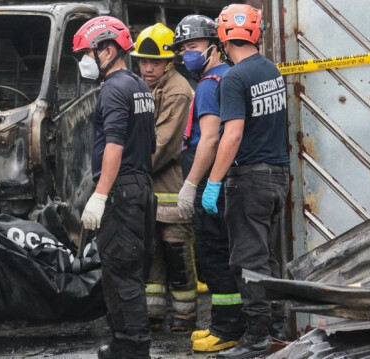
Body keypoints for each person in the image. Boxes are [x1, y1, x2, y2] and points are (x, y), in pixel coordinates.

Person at [201, 4, 289, 359]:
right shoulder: (271, 70)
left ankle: (256, 338)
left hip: (249, 180)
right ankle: (278, 326)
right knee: (266, 257)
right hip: (277, 176)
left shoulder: (234, 78)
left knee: (248, 260)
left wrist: (213, 182)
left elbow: (232, 135)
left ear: (223, 38)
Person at [73, 16, 157, 359]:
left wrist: (100, 194)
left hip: (121, 191)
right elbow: (150, 144)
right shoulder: (139, 85)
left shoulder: (113, 89)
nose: (84, 61)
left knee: (122, 273)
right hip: (138, 186)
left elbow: (114, 145)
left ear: (107, 49)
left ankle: (135, 349)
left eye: (88, 53)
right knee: (120, 270)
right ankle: (123, 343)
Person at [171, 15, 246, 353]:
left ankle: (226, 328)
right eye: (183, 48)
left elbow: (210, 139)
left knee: (214, 255)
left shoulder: (209, 83)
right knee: (231, 253)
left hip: (213, 183)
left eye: (193, 47)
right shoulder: (231, 76)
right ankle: (229, 323)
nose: (187, 54)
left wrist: (191, 183)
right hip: (234, 180)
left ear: (214, 48)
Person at [130, 23, 197, 332]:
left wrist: (125, 170)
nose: (147, 67)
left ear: (170, 61)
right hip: (150, 193)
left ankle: (185, 316)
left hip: (172, 190)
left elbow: (164, 146)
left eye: (154, 61)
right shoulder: (144, 88)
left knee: (176, 252)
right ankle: (153, 315)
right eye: (143, 61)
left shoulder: (178, 91)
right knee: (152, 253)